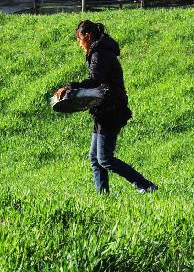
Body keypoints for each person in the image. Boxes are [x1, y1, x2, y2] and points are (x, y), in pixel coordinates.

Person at [55, 20, 157, 195]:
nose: (79, 44)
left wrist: (70, 87)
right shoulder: (99, 51)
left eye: (79, 40)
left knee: (104, 159)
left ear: (87, 36)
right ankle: (103, 197)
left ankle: (146, 185)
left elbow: (95, 81)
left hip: (112, 109)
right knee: (95, 158)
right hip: (104, 109)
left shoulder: (100, 53)